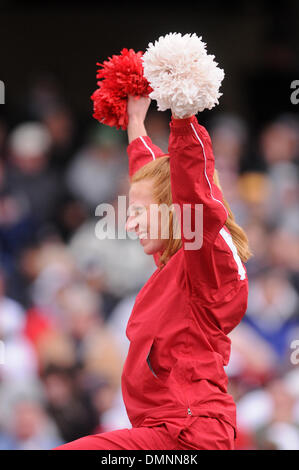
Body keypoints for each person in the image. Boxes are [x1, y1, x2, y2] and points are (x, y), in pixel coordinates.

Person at [54, 95, 251, 450]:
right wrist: (135, 124)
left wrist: (183, 113)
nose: (130, 224)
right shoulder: (175, 263)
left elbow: (191, 188)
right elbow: (155, 177)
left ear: (176, 210)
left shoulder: (206, 258)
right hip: (163, 433)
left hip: (189, 437)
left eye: (139, 212)